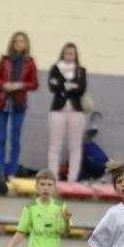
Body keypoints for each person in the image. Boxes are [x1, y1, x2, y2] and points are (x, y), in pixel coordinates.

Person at [0, 31, 39, 179]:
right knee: (1, 138)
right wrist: (4, 84)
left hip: (19, 104)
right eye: (16, 41)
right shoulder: (4, 60)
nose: (19, 44)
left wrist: (20, 85)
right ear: (12, 44)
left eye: (22, 41)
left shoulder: (30, 62)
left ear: (26, 44)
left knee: (15, 138)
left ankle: (11, 172)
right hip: (1, 103)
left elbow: (35, 84)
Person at [47, 43, 88, 182]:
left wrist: (63, 86)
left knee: (75, 146)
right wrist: (70, 86)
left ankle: (72, 178)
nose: (69, 56)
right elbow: (53, 86)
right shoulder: (55, 68)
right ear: (62, 54)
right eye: (67, 53)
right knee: (54, 145)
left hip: (76, 111)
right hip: (58, 110)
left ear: (75, 55)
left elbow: (81, 88)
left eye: (72, 54)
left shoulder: (81, 70)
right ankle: (53, 176)